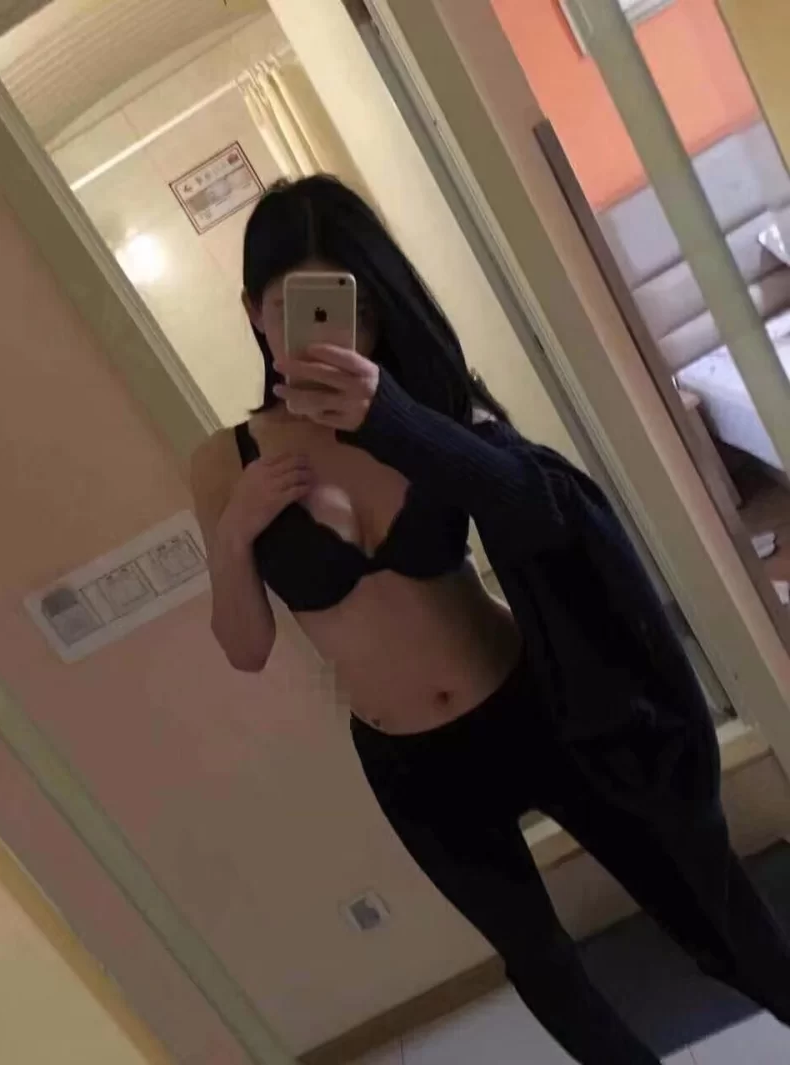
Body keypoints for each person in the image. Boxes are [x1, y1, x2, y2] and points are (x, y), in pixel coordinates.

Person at [191, 175, 790, 1065]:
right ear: (252, 312)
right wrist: (237, 530)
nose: (330, 334)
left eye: (351, 306)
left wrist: (395, 420)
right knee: (543, 963)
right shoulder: (222, 465)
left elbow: (541, 509)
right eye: (294, 308)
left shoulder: (426, 406)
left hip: (531, 703)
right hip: (412, 764)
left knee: (699, 895)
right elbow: (244, 648)